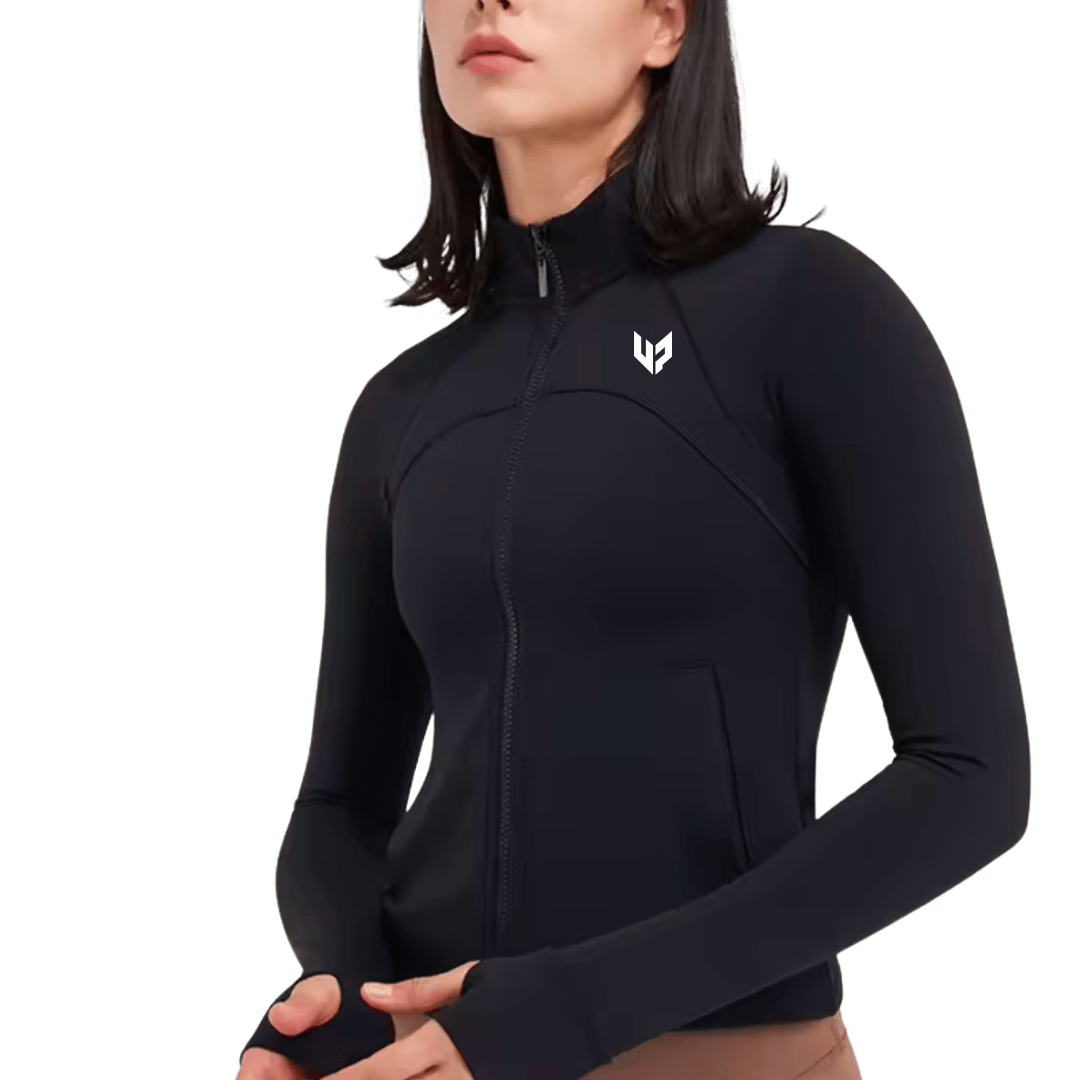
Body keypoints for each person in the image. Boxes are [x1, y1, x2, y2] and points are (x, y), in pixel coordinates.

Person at [235, 1, 1030, 1078]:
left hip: (721, 1057)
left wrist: (571, 1009)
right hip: (437, 1057)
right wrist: (342, 994)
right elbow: (338, 806)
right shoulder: (403, 406)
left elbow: (971, 776)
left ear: (665, 23)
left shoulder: (808, 312)